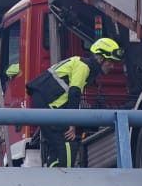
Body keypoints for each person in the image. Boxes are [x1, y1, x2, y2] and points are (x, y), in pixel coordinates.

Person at [24, 37, 124, 167]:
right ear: (99, 58)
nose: (112, 66)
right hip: (46, 105)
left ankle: (56, 175)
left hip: (46, 104)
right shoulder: (84, 66)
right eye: (110, 62)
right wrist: (72, 123)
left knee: (58, 146)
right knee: (66, 144)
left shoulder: (83, 66)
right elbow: (74, 93)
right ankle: (64, 179)